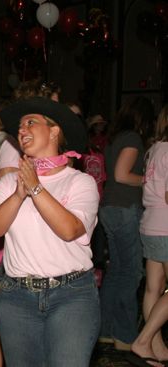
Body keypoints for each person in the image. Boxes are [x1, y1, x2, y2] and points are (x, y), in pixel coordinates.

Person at [0, 97, 99, 367]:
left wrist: (36, 188)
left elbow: (70, 229)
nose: (22, 130)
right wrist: (19, 194)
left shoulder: (80, 182)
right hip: (17, 298)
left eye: (31, 122)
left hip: (72, 296)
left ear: (55, 131)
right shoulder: (9, 183)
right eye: (20, 126)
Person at [99, 96, 155, 350]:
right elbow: (122, 175)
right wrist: (148, 181)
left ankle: (106, 329)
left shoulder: (116, 139)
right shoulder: (132, 138)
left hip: (110, 208)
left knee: (116, 272)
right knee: (131, 272)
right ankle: (124, 334)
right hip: (125, 209)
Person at [130, 104, 168, 366]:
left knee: (153, 288)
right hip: (165, 226)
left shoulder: (155, 148)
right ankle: (143, 340)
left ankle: (156, 348)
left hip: (151, 223)